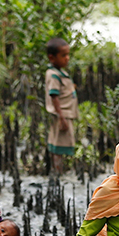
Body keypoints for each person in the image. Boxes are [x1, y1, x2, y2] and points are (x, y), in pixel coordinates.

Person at [44, 38, 79, 174]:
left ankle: (60, 170)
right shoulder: (53, 75)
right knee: (58, 145)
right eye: (63, 55)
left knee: (62, 143)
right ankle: (57, 171)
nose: (67, 58)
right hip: (62, 114)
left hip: (65, 114)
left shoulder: (60, 73)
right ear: (52, 58)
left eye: (68, 54)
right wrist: (61, 117)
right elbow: (54, 96)